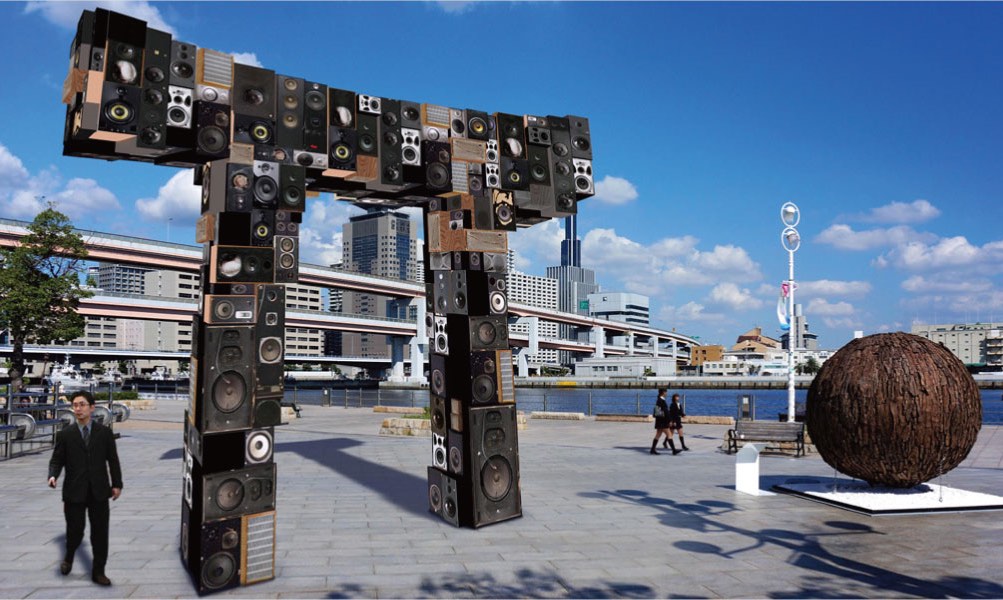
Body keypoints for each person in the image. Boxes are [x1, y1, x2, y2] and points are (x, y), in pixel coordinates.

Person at [47, 390, 123, 586]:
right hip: (74, 491)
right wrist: (53, 475)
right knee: (75, 531)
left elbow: (113, 461)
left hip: (99, 491)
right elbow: (57, 459)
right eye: (75, 405)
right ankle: (70, 556)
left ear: (91, 407)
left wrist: (117, 484)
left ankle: (99, 571)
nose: (78, 408)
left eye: (82, 404)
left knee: (100, 533)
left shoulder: (104, 433)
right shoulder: (65, 435)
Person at [650, 388, 672, 455]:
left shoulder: (660, 400)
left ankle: (652, 449)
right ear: (663, 393)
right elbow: (659, 412)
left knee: (658, 435)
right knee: (669, 434)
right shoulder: (660, 400)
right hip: (662, 421)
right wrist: (668, 420)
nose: (666, 394)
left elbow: (658, 412)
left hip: (661, 421)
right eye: (666, 392)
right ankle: (673, 450)